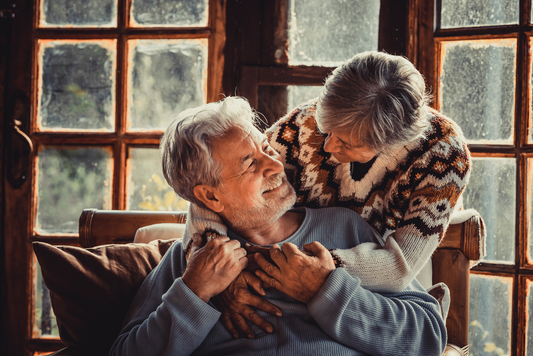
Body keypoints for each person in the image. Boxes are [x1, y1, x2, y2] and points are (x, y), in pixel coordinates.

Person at [109, 97, 447, 356]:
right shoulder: (192, 265)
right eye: (250, 164)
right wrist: (194, 293)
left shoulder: (344, 227)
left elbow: (428, 335)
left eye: (268, 148)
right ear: (210, 197)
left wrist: (326, 290)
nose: (275, 165)